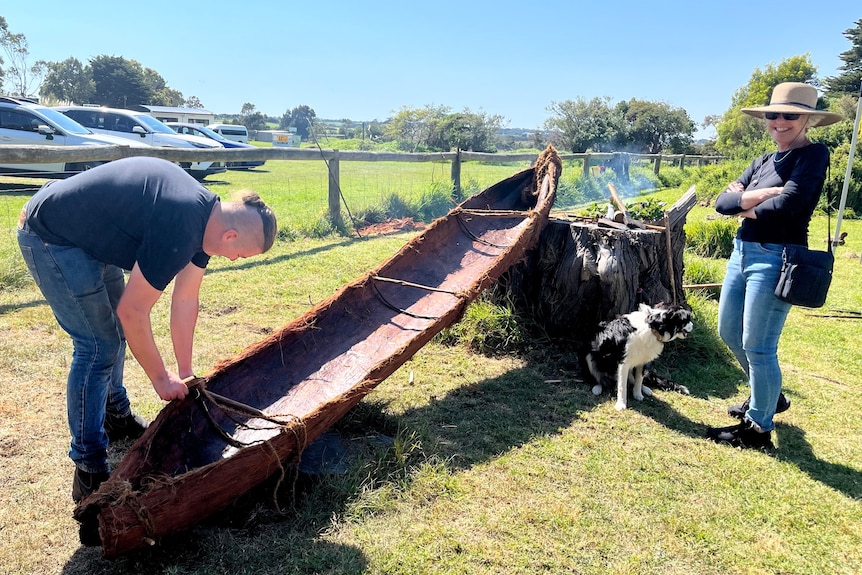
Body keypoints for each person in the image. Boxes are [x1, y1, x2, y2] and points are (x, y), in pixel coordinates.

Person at [16, 157, 277, 501]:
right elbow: (133, 311)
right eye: (239, 254)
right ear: (230, 236)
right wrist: (160, 378)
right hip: (53, 236)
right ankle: (89, 466)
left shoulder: (204, 222)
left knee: (114, 337)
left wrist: (185, 372)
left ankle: (115, 416)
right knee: (98, 346)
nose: (233, 260)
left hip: (87, 236)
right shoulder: (181, 225)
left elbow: (185, 300)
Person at [706, 82, 842, 449]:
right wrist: (760, 196)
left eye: (790, 115)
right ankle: (770, 397)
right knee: (729, 333)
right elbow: (721, 203)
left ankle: (758, 428)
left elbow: (791, 205)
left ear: (808, 120)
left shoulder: (813, 156)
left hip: (776, 256)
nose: (780, 121)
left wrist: (744, 205)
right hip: (742, 253)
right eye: (773, 114)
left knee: (759, 345)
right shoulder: (764, 162)